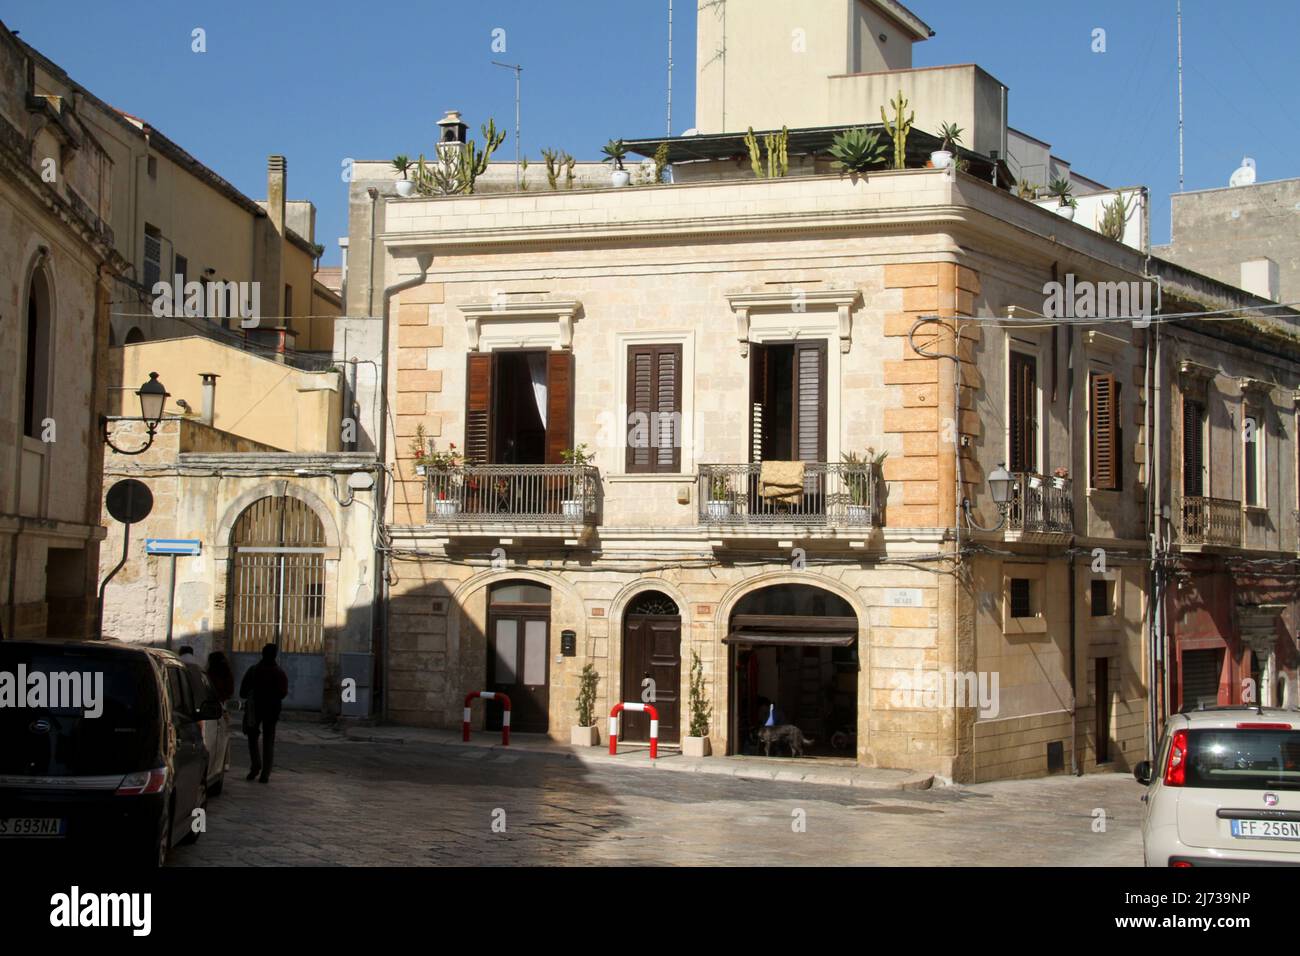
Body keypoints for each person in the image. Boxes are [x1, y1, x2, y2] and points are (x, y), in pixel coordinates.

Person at [239, 643, 289, 783]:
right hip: (272, 710)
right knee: (269, 740)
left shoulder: (253, 671)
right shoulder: (279, 673)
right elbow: (283, 693)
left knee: (252, 739)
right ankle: (265, 773)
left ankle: (255, 766)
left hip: (254, 710)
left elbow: (242, 692)